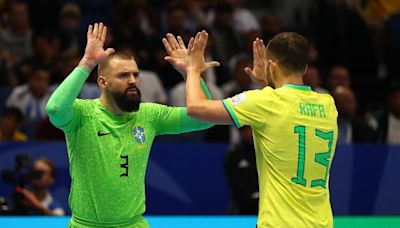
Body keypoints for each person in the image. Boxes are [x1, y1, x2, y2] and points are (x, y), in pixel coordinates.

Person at [46, 23, 218, 227]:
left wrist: (191, 73)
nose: (133, 81)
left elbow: (205, 119)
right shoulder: (82, 114)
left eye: (135, 75)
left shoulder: (150, 115)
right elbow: (55, 109)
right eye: (123, 75)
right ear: (103, 83)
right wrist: (87, 63)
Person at [175, 31, 338, 227]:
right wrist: (267, 82)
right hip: (322, 222)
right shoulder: (328, 104)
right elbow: (288, 111)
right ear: (304, 67)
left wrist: (192, 69)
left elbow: (196, 108)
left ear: (271, 65)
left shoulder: (265, 102)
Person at [224, 125, 258, 215]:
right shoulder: (233, 154)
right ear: (240, 132)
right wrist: (251, 196)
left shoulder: (262, 151)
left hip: (264, 202)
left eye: (251, 130)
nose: (249, 133)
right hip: (241, 205)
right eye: (246, 130)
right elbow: (234, 180)